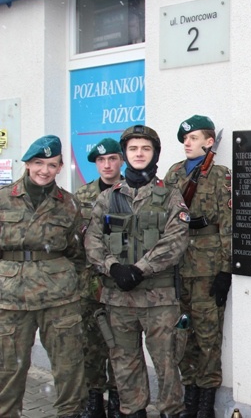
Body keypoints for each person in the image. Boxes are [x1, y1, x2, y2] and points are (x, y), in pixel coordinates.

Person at [84, 125, 190, 418]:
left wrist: (140, 270)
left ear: (154, 153)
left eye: (146, 148)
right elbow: (92, 239)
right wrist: (113, 267)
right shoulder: (109, 198)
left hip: (159, 300)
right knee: (125, 365)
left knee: (167, 365)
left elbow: (176, 239)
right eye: (133, 149)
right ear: (125, 154)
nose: (139, 153)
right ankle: (134, 412)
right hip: (118, 300)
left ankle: (172, 412)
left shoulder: (169, 195)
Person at [0, 135, 87, 417]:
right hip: (12, 300)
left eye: (51, 165)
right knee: (8, 370)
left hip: (59, 300)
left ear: (60, 167)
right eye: (38, 163)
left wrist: (68, 283)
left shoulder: (69, 205)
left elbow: (78, 252)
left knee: (69, 367)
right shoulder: (3, 200)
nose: (44, 170)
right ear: (27, 164)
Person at [164, 115, 232, 418]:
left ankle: (205, 404)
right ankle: (188, 398)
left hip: (207, 269)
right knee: (182, 333)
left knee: (207, 337)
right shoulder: (173, 173)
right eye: (185, 139)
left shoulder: (220, 175)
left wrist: (226, 269)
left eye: (194, 138)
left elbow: (228, 224)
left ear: (209, 142)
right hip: (176, 267)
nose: (187, 143)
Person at [76, 138, 124, 418]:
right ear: (96, 163)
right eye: (101, 161)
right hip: (90, 281)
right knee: (92, 344)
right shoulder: (81, 196)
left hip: (119, 280)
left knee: (119, 342)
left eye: (112, 159)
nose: (107, 165)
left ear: (121, 161)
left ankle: (118, 398)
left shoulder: (130, 193)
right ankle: (94, 398)